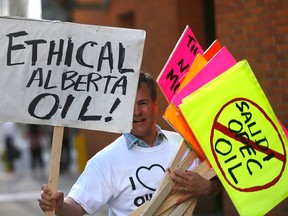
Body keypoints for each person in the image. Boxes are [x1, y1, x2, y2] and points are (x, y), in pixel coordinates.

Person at [38, 72, 221, 215]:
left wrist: (207, 187)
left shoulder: (184, 146)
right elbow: (76, 207)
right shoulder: (106, 161)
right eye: (128, 105)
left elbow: (220, 183)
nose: (136, 112)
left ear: (155, 105)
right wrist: (60, 206)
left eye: (142, 103)